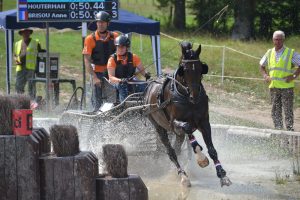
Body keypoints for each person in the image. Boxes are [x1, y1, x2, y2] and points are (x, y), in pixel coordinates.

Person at [259, 30, 300, 131]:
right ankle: (278, 130)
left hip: (286, 87)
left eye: (279, 40)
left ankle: (290, 131)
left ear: (283, 40)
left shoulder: (290, 53)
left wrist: (294, 76)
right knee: (275, 110)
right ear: (273, 40)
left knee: (288, 111)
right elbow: (261, 65)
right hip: (274, 87)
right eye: (276, 39)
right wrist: (265, 75)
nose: (277, 42)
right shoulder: (269, 52)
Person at [82, 11, 118, 111]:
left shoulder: (115, 37)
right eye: (98, 22)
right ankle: (95, 116)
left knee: (116, 98)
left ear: (108, 23)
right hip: (97, 73)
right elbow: (87, 61)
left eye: (103, 22)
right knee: (97, 100)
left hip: (112, 72)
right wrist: (94, 77)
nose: (100, 24)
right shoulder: (90, 39)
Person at [107, 35, 151, 102]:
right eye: (118, 47)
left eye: (122, 47)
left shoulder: (134, 57)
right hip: (116, 83)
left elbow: (142, 70)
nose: (120, 49)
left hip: (130, 81)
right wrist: (120, 80)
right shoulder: (112, 59)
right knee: (123, 86)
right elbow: (111, 78)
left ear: (127, 48)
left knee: (145, 85)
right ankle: (124, 106)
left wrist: (146, 75)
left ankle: (143, 103)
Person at [14, 28, 42, 99]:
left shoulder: (36, 43)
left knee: (31, 86)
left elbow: (40, 56)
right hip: (20, 68)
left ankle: (32, 102)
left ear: (30, 33)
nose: (26, 34)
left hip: (31, 68)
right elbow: (15, 55)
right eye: (24, 32)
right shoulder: (17, 43)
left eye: (27, 32)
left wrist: (38, 68)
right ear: (21, 34)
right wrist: (16, 60)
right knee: (18, 86)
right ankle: (20, 101)